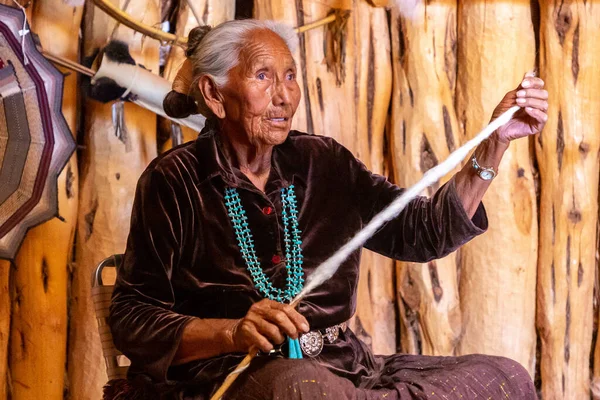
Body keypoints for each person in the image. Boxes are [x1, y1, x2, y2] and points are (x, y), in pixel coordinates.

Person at [107, 19, 548, 400]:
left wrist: (495, 143)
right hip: (239, 376)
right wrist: (232, 331)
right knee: (303, 389)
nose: (284, 96)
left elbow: (424, 232)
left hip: (347, 369)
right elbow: (132, 315)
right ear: (215, 94)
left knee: (504, 377)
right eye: (263, 76)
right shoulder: (176, 180)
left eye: (291, 76)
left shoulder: (323, 162)